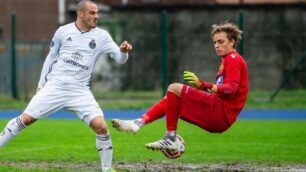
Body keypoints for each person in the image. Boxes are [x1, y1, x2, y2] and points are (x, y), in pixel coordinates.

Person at [0, 0, 132, 171]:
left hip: (80, 91)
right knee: (26, 119)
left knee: (101, 127)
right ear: (80, 14)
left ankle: (107, 169)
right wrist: (41, 84)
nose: (97, 16)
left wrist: (123, 52)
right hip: (55, 87)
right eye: (92, 13)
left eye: (97, 13)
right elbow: (51, 57)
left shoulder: (102, 36)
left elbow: (121, 60)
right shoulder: (63, 31)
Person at [111, 21, 248, 151]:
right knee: (172, 98)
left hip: (220, 112)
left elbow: (231, 88)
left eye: (221, 41)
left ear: (232, 42)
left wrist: (202, 84)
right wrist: (202, 86)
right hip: (219, 114)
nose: (216, 45)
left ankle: (171, 138)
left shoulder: (233, 59)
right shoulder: (227, 60)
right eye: (215, 42)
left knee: (174, 88)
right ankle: (138, 123)